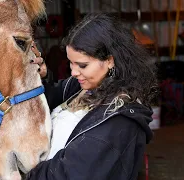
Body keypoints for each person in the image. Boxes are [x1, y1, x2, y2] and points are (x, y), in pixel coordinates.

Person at [27, 13, 158, 180]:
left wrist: (25, 173)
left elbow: (71, 174)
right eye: (70, 62)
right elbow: (48, 99)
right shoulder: (83, 85)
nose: (73, 72)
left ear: (110, 61)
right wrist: (42, 77)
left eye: (82, 65)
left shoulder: (119, 121)